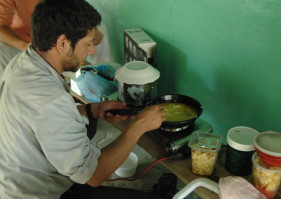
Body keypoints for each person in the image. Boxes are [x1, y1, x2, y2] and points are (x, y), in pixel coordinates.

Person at [0, 0, 166, 199]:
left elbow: (36, 119)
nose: (91, 51)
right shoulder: (49, 100)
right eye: (87, 44)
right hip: (37, 193)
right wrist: (139, 126)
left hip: (16, 171)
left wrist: (90, 110)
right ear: (62, 43)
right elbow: (94, 176)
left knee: (89, 124)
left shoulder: (24, 61)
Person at [0, 0, 112, 76]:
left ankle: (102, 77)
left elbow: (74, 11)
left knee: (99, 30)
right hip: (17, 41)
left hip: (52, 34)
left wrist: (90, 33)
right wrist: (25, 45)